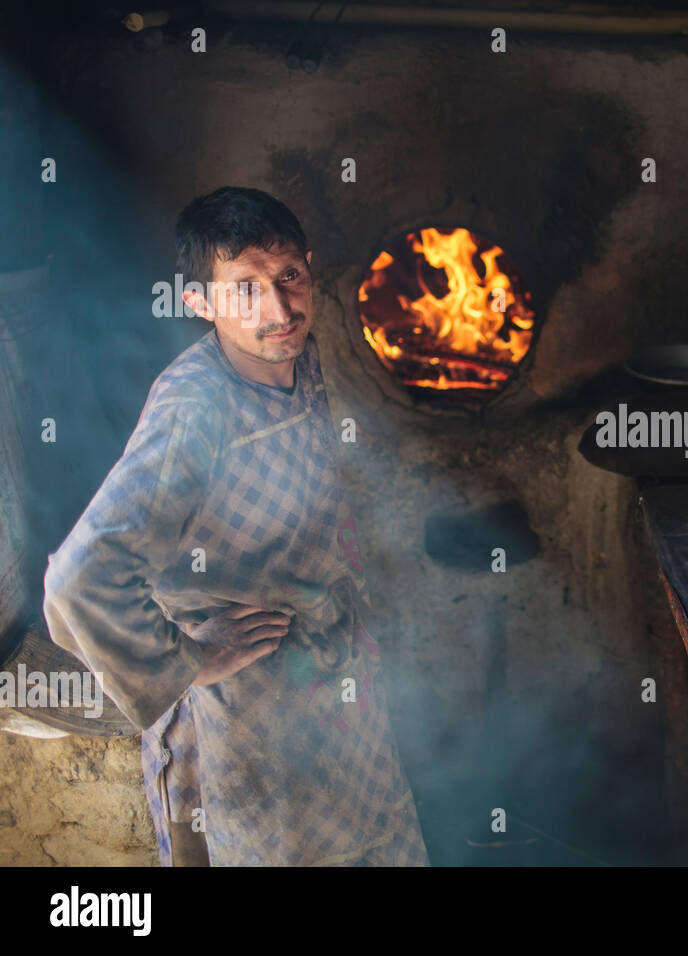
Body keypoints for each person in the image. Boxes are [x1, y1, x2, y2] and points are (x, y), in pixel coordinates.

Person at [43, 187, 429, 866]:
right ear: (199, 303)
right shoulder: (197, 407)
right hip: (247, 719)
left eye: (288, 278)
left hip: (329, 683)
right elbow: (79, 579)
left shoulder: (295, 355)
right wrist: (189, 660)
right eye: (244, 289)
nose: (278, 309)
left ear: (309, 269)